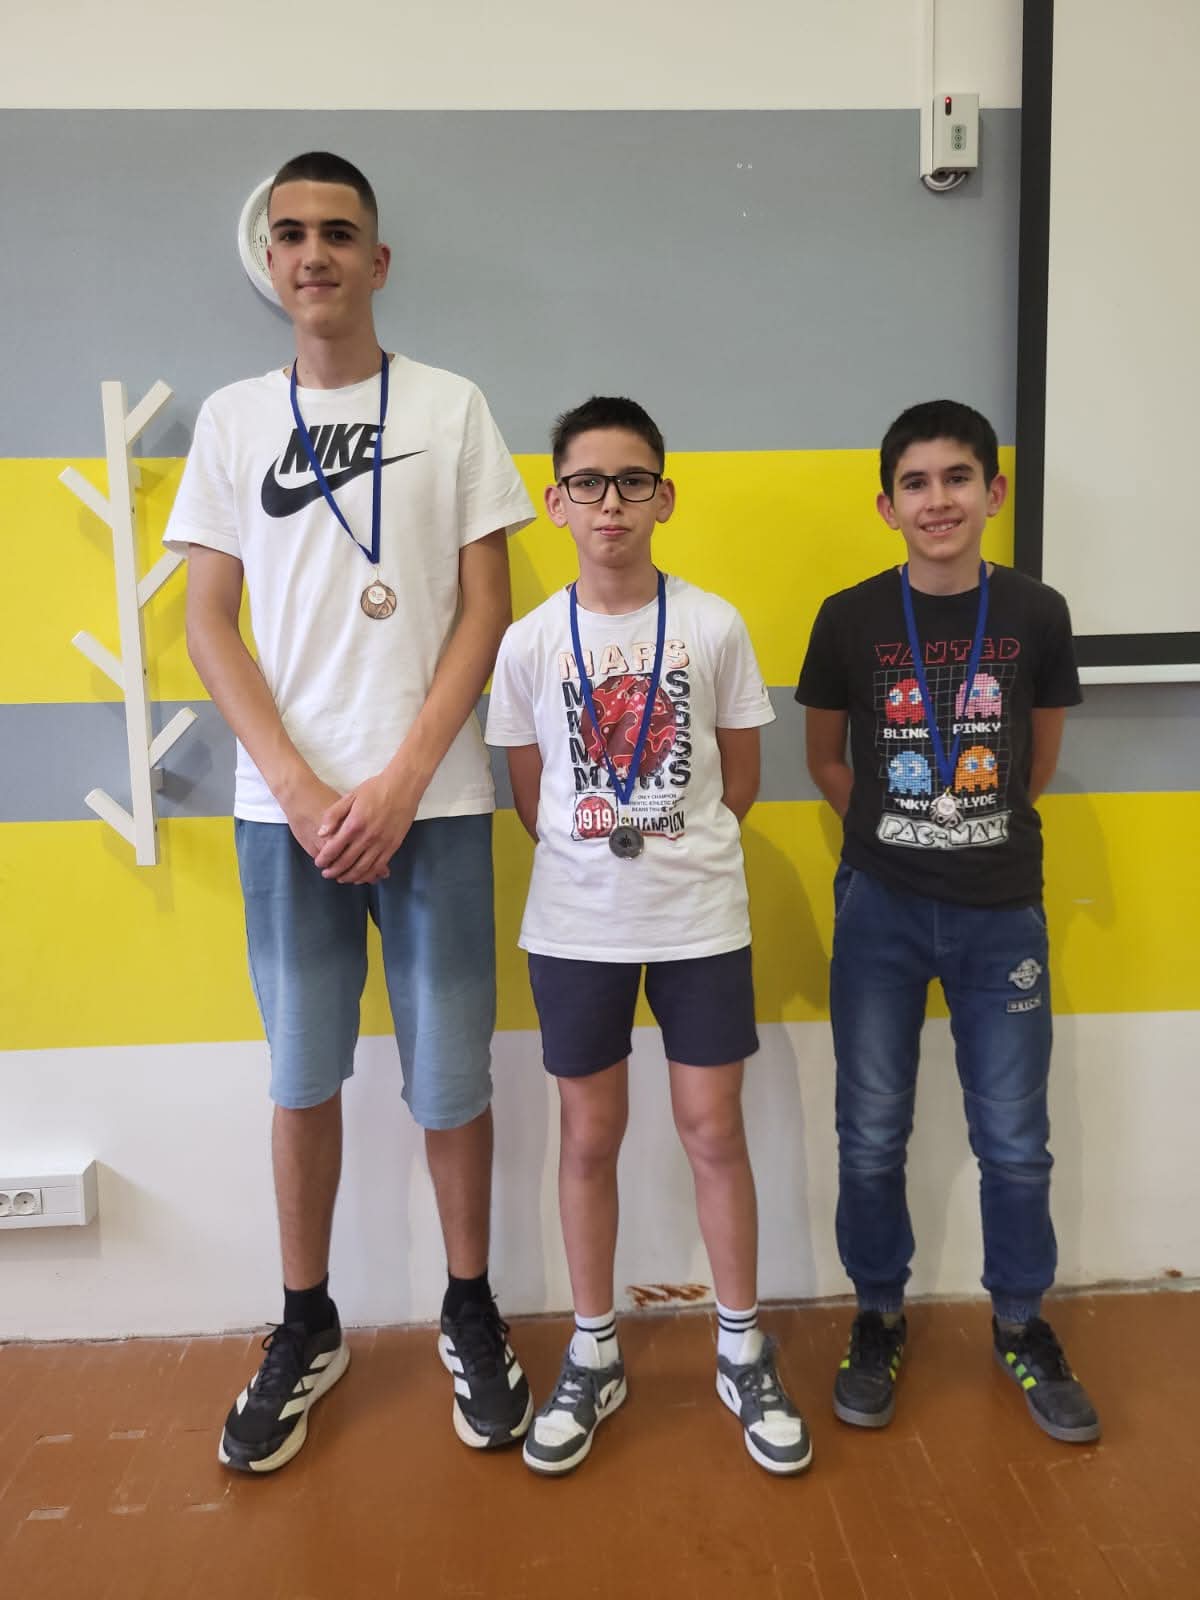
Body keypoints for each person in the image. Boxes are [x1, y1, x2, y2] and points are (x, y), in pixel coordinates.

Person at [165, 151, 536, 1473]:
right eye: (291, 234)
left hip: (433, 806)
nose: (313, 253)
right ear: (270, 262)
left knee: (451, 1081)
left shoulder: (453, 404)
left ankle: (470, 1305)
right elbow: (209, 623)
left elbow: (487, 608)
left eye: (337, 232)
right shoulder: (231, 422)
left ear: (377, 261)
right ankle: (307, 1320)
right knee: (301, 1076)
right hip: (290, 819)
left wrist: (399, 780)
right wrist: (308, 787)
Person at [485, 395, 812, 1477]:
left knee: (713, 1128)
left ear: (664, 497)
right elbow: (531, 797)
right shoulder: (529, 643)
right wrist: (604, 842)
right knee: (589, 1135)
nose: (610, 503)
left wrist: (665, 841)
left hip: (698, 917)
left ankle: (741, 1345)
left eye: (632, 482)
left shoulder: (712, 625)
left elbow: (740, 780)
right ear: (555, 502)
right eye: (587, 483)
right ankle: (593, 1349)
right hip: (576, 924)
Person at [796, 398, 1100, 1443]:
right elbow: (825, 756)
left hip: (1000, 910)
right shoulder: (849, 617)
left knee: (1015, 1138)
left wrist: (968, 828)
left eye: (958, 477)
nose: (939, 500)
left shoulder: (1037, 611)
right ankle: (878, 1313)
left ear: (994, 492)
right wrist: (898, 832)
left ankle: (1020, 1320)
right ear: (887, 505)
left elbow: (1037, 758)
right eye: (916, 483)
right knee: (872, 1129)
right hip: (879, 907)